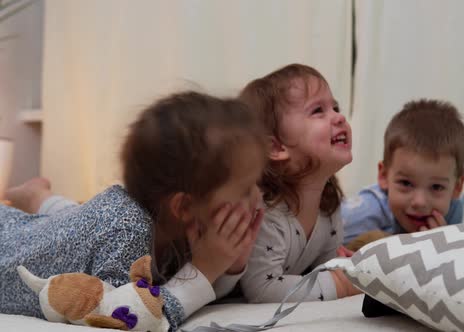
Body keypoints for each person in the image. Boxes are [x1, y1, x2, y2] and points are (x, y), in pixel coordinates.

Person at [0, 91, 267, 331]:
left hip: (57, 231)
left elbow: (194, 291)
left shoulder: (179, 223)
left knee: (78, 225)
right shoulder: (129, 231)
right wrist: (206, 269)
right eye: (245, 189)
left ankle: (39, 197)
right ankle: (39, 197)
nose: (258, 195)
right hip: (7, 244)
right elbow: (130, 318)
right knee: (85, 226)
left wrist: (230, 265)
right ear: (184, 206)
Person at [238, 64, 361, 303]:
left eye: (335, 107)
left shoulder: (328, 203)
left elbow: (324, 267)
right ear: (276, 147)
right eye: (318, 111)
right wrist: (342, 285)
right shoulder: (266, 213)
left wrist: (342, 266)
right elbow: (262, 287)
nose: (339, 116)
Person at [342, 99, 464, 250]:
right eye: (406, 183)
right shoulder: (361, 216)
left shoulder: (453, 208)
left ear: (457, 187)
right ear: (384, 175)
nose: (420, 202)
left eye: (436, 187)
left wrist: (442, 246)